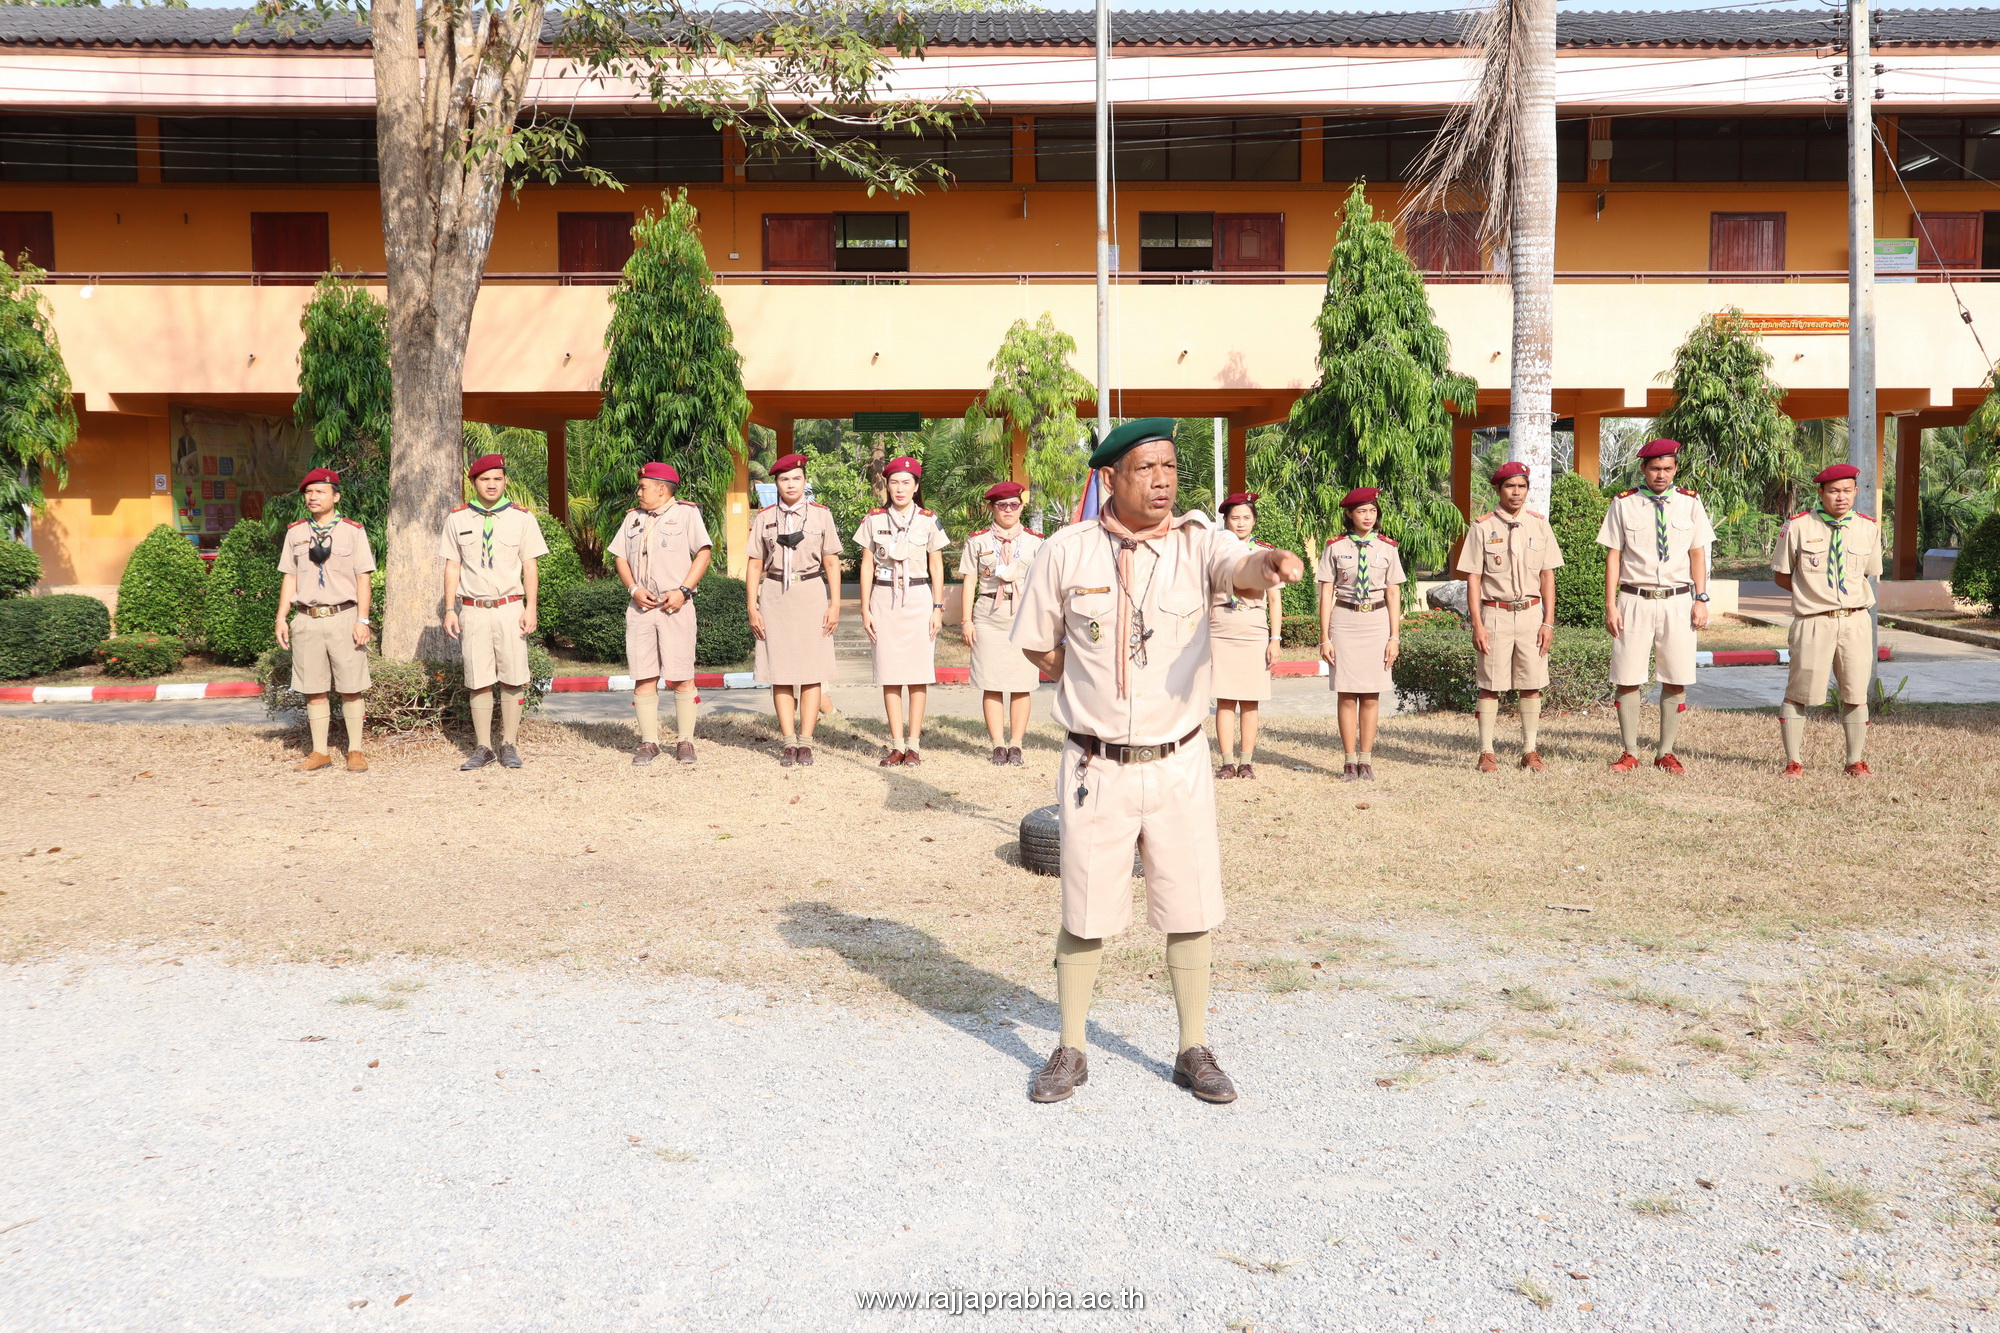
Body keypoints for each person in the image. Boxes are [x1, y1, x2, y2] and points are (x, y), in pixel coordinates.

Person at [1012, 419, 1304, 1106]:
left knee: (1189, 905)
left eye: (1169, 466)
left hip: (1179, 762)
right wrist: (1076, 675)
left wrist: (1268, 563)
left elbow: (1241, 567)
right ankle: (1071, 1047)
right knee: (1085, 908)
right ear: (1110, 478)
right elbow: (1036, 640)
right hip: (1096, 766)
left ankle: (1192, 1048)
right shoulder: (1067, 551)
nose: (1162, 480)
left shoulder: (1198, 542)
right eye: (1146, 468)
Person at [1597, 438, 1716, 774]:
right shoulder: (1624, 504)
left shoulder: (1690, 503)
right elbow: (1614, 556)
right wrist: (1610, 604)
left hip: (1678, 600)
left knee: (1676, 677)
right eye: (1655, 469)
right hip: (1634, 599)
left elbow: (1697, 554)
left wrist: (1701, 598)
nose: (1661, 475)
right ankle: (1630, 752)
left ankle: (1666, 752)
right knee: (1627, 676)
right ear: (1644, 469)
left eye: (1667, 468)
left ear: (1675, 469)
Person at [440, 453, 548, 770]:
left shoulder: (522, 518)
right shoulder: (457, 519)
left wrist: (531, 607)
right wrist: (449, 609)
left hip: (510, 608)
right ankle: (484, 747)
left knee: (513, 678)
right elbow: (452, 566)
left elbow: (530, 566)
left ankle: (509, 744)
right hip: (473, 610)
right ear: (473, 483)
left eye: (497, 479)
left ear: (505, 481)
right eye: (485, 479)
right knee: (478, 679)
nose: (491, 484)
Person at [1772, 462, 1881, 777]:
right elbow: (1783, 576)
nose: (1841, 497)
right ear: (1821, 493)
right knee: (1799, 692)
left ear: (1856, 492)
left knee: (1856, 692)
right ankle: (1793, 761)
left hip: (1855, 621)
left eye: (1847, 490)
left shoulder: (1868, 528)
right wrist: (1813, 594)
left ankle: (1854, 761)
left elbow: (1867, 574)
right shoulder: (1798, 526)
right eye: (1834, 491)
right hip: (1813, 621)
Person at [1456, 461, 1564, 772]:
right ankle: (1486, 751)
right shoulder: (1482, 527)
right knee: (1489, 684)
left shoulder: (1539, 525)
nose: (1516, 492)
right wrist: (1477, 624)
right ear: (1498, 489)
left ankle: (1529, 751)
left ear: (1527, 489)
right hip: (1495, 614)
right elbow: (1474, 579)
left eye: (1521, 486)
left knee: (1531, 683)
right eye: (1509, 486)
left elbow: (1547, 576)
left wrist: (1548, 622)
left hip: (1531, 614)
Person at [745, 452, 843, 767]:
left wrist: (835, 604)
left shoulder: (821, 516)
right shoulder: (764, 518)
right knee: (781, 672)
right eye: (784, 479)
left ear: (804, 481)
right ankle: (788, 742)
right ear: (776, 483)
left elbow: (831, 562)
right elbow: (755, 564)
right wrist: (752, 605)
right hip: (774, 595)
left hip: (811, 593)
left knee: (812, 672)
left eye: (796, 478)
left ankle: (806, 742)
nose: (790, 484)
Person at [274, 467, 374, 773]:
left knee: (351, 686)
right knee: (313, 688)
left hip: (344, 617)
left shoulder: (352, 531)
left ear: (336, 496)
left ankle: (355, 750)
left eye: (320, 491)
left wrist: (363, 620)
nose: (313, 497)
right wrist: (281, 617)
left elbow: (363, 578)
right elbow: (290, 577)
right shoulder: (295, 533)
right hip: (307, 619)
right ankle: (320, 752)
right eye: (309, 492)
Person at [613, 462, 713, 766]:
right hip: (641, 608)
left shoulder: (686, 514)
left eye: (643, 487)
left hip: (675, 606)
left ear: (661, 489)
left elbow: (704, 553)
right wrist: (633, 589)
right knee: (643, 674)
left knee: (681, 675)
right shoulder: (632, 518)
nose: (638, 492)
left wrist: (683, 590)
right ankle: (649, 742)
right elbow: (620, 557)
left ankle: (685, 741)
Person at [856, 456, 950, 767]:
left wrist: (937, 608)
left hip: (919, 598)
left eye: (906, 483)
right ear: (887, 486)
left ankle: (914, 745)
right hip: (884, 598)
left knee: (918, 674)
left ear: (916, 486)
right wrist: (865, 608)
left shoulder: (928, 520)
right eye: (894, 482)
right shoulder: (874, 519)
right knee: (890, 674)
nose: (899, 488)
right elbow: (866, 565)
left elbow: (937, 566)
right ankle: (897, 745)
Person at [1316, 488, 1405, 781]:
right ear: (1349, 514)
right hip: (1344, 620)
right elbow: (1326, 593)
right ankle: (1349, 761)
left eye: (1372, 511)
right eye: (1362, 511)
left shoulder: (1388, 548)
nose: (1368, 516)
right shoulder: (1335, 547)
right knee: (1346, 693)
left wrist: (1394, 637)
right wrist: (1325, 637)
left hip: (1377, 621)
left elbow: (1394, 593)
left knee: (1370, 694)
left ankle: (1366, 760)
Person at [959, 480, 1044, 765]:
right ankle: (997, 744)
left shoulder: (1036, 542)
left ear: (1021, 507)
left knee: (1022, 683)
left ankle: (1016, 745)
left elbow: (1043, 585)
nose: (1008, 510)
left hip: (1023, 615)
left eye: (1014, 505)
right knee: (991, 681)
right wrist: (966, 621)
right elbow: (969, 581)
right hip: (988, 615)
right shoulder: (978, 541)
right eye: (1002, 505)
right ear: (991, 508)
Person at [1209, 492, 1282, 779]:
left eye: (1246, 518)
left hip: (1253, 628)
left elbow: (1274, 599)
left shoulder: (1265, 554)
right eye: (1235, 518)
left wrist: (1275, 639)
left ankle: (1246, 762)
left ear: (1254, 521)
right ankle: (1227, 762)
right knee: (1225, 700)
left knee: (1251, 700)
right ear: (1226, 521)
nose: (1241, 523)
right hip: (1221, 627)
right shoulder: (1214, 552)